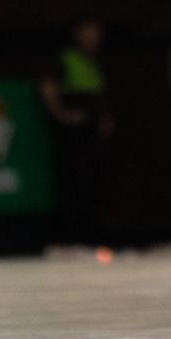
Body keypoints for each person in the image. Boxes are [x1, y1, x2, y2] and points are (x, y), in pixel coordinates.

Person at [38, 16, 114, 253]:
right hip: (73, 134)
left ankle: (90, 239)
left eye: (97, 33)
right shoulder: (65, 58)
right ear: (77, 33)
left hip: (93, 134)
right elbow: (48, 87)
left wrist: (104, 119)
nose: (94, 38)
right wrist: (62, 114)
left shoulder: (93, 62)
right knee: (73, 184)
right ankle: (69, 240)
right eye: (89, 32)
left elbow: (98, 96)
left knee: (92, 184)